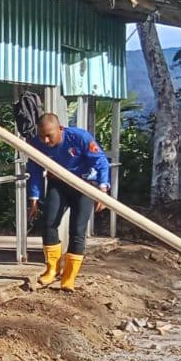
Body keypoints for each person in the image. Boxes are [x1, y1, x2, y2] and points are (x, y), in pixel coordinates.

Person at [27, 113, 111, 292]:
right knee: (48, 223)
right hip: (57, 184)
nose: (46, 140)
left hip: (84, 185)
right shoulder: (36, 143)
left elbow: (101, 161)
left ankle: (69, 277)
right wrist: (33, 199)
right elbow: (34, 171)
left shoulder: (79, 137)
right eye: (42, 136)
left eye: (49, 135)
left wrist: (103, 189)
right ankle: (52, 270)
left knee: (77, 230)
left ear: (60, 129)